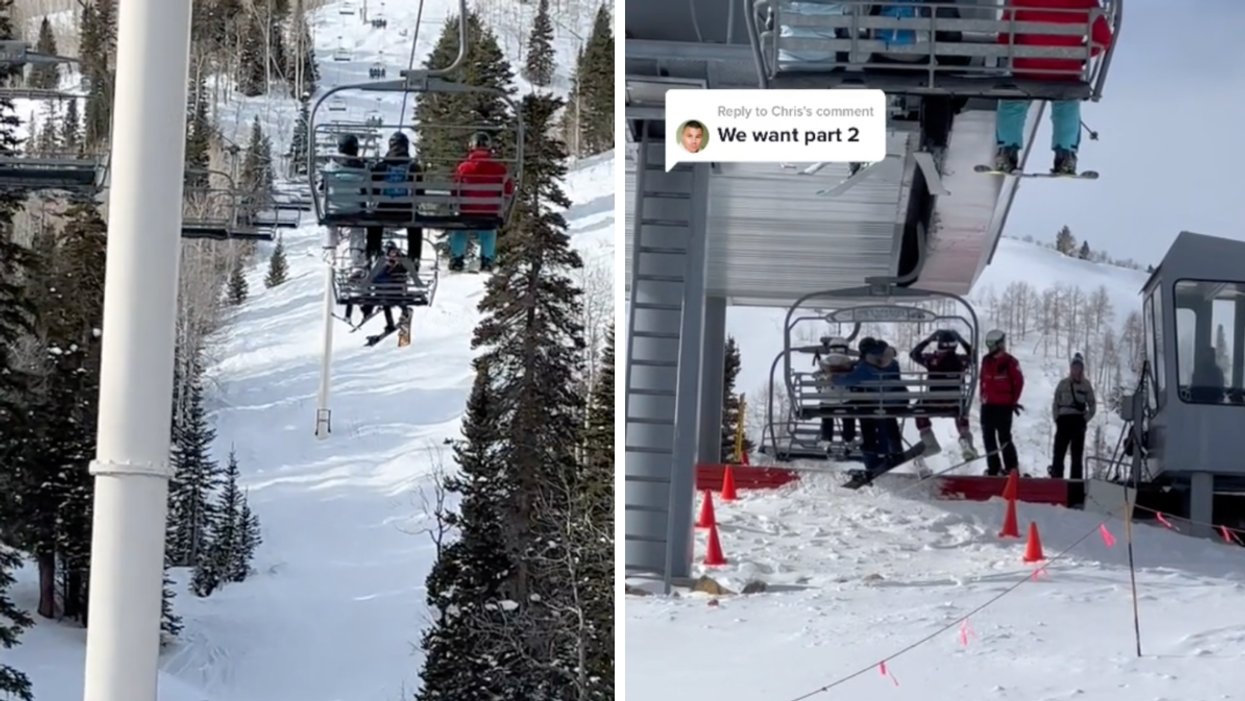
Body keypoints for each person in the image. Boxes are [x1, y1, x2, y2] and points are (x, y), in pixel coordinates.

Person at [992, 0, 1114, 176]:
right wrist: (1078, 56)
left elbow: (1004, 37)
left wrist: (1022, 52)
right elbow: (1102, 39)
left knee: (1013, 101)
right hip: (1066, 73)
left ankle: (1006, 153)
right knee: (1066, 103)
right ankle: (1066, 156)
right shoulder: (1088, 2)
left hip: (1026, 71)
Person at [833, 337, 906, 479]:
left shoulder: (865, 366)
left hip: (873, 403)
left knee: (867, 421)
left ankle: (871, 458)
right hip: (896, 400)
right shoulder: (893, 363)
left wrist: (833, 378)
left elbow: (851, 380)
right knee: (888, 420)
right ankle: (893, 448)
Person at [449, 132, 514, 272]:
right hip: (489, 211)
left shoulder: (463, 167)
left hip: (467, 211)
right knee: (489, 229)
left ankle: (457, 258)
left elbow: (455, 190)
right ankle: (487, 259)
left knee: (460, 229)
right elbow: (508, 190)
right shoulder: (499, 169)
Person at [909, 329, 978, 461]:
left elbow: (914, 354)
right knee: (962, 409)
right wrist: (962, 340)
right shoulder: (961, 361)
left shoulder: (932, 360)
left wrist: (929, 339)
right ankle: (965, 439)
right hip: (954, 402)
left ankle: (929, 441)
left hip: (932, 402)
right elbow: (974, 357)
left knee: (919, 409)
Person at [369, 132, 425, 267]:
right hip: (406, 211)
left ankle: (372, 253)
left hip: (383, 211)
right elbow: (420, 193)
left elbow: (373, 191)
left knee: (373, 223)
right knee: (415, 226)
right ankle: (414, 258)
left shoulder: (380, 166)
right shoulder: (413, 167)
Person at [979, 329, 1024, 476]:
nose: (990, 349)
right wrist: (983, 397)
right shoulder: (986, 360)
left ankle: (1012, 467)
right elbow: (982, 380)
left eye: (992, 345)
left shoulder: (1010, 362)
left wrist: (1013, 401)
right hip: (988, 405)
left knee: (1004, 437)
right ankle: (994, 468)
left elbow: (1019, 382)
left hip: (1004, 406)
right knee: (988, 437)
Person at [1050, 352, 1095, 480]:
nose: (1076, 369)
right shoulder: (1063, 384)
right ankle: (1056, 480)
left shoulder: (1086, 386)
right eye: (1074, 366)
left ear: (1082, 368)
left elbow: (1092, 405)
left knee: (1077, 456)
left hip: (1077, 421)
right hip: (1063, 421)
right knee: (1058, 453)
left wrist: (1084, 420)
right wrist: (1057, 418)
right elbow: (1055, 403)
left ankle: (1075, 484)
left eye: (1078, 367)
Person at [814, 336, 857, 446]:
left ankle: (826, 437)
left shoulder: (824, 361)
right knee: (848, 417)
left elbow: (819, 378)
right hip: (845, 399)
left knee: (826, 415)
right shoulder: (848, 362)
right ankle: (849, 438)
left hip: (827, 400)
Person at [359, 243, 409, 333]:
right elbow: (377, 277)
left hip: (394, 291)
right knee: (384, 304)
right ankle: (370, 313)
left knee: (385, 302)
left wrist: (393, 266)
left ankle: (402, 313)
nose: (393, 256)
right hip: (387, 291)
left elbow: (402, 273)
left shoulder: (400, 264)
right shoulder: (386, 265)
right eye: (391, 253)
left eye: (394, 253)